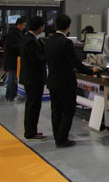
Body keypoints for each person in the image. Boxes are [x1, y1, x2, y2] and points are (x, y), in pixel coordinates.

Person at [45, 15, 99, 148]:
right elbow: (75, 63)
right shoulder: (66, 43)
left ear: (56, 26)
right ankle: (62, 138)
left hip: (52, 81)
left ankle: (57, 136)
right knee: (68, 110)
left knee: (56, 110)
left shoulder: (49, 41)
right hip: (65, 82)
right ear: (69, 26)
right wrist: (91, 71)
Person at [19, 16, 47, 140]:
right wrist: (46, 55)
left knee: (33, 104)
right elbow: (36, 60)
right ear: (40, 27)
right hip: (33, 78)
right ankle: (30, 132)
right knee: (33, 105)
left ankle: (32, 130)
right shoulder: (31, 41)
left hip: (30, 78)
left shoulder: (28, 38)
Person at [3, 18, 26, 102]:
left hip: (16, 59)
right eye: (23, 25)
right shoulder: (12, 33)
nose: (24, 27)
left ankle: (10, 96)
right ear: (19, 24)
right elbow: (9, 46)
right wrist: (20, 46)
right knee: (12, 79)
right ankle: (11, 96)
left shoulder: (19, 33)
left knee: (12, 79)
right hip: (12, 59)